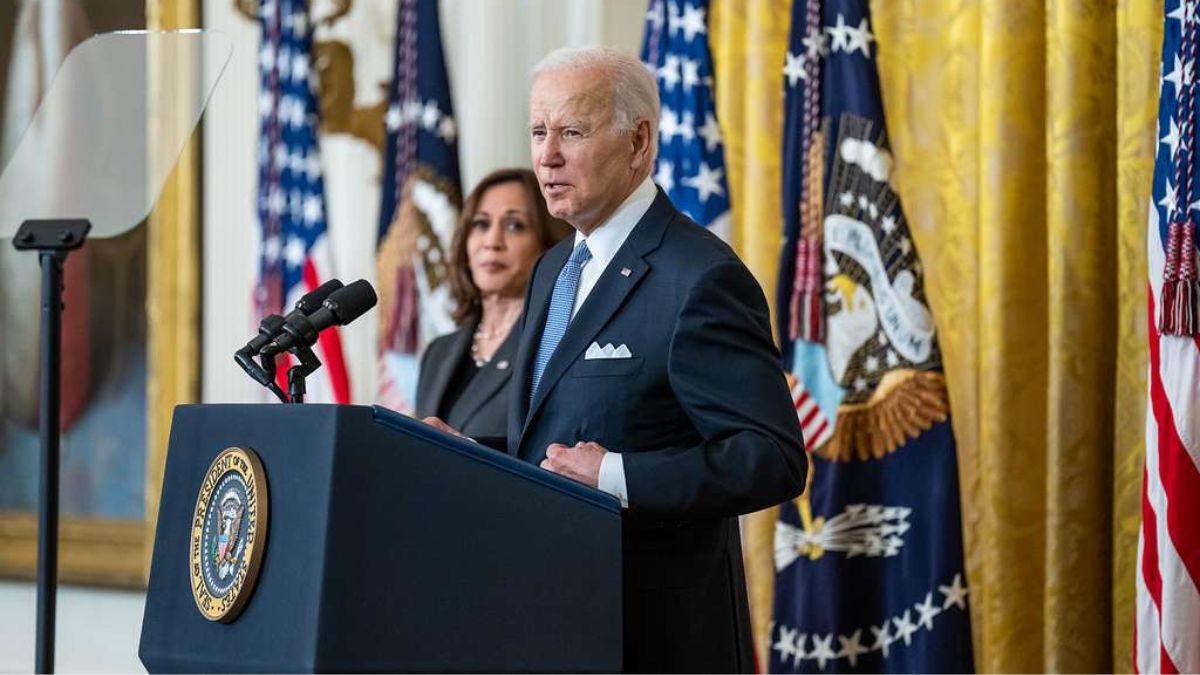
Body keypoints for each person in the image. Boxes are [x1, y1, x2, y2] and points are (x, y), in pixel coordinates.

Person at [427, 47, 807, 673]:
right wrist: (465, 454)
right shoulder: (554, 268)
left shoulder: (700, 277)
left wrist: (617, 478)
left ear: (638, 142)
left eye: (571, 132)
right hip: (551, 623)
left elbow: (771, 459)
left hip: (654, 639)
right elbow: (550, 444)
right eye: (538, 131)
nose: (546, 156)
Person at [415, 168, 570, 445]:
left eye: (514, 226)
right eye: (480, 224)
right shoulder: (437, 353)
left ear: (547, 242)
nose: (492, 242)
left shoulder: (555, 347)